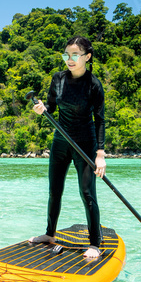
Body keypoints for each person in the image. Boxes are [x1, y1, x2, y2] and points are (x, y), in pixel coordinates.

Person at [30, 36, 106, 261]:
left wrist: (100, 154)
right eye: (66, 55)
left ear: (87, 57)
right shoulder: (58, 79)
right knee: (54, 190)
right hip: (61, 141)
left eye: (75, 55)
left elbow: (100, 119)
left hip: (85, 144)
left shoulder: (94, 84)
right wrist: (43, 108)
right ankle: (49, 234)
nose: (69, 60)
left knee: (87, 192)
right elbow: (52, 106)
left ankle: (95, 243)